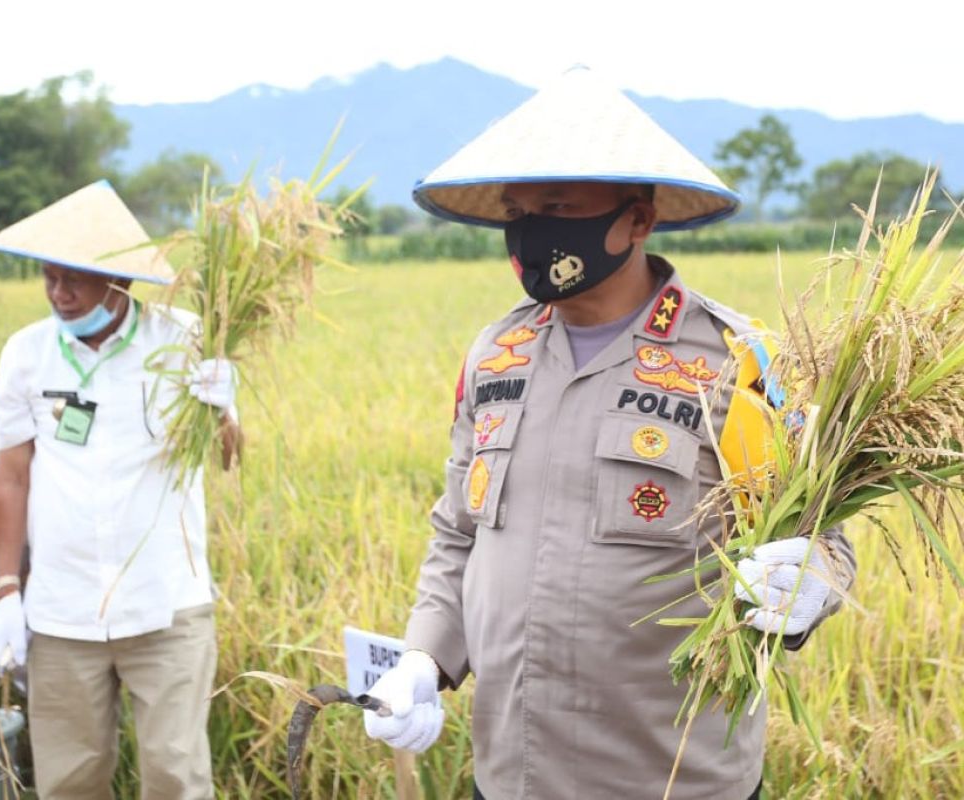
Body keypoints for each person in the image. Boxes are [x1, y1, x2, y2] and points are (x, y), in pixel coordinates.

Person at [360, 68, 857, 799]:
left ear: (638, 219)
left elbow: (823, 536)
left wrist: (814, 579)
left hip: (672, 777)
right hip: (513, 772)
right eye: (519, 212)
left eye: (557, 207)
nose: (532, 232)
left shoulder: (739, 362)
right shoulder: (496, 355)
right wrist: (423, 660)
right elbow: (459, 536)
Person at [0, 180, 239, 799]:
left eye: (74, 280)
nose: (59, 294)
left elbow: (228, 454)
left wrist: (226, 410)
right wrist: (6, 592)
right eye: (48, 278)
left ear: (119, 281)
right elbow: (13, 476)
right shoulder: (27, 354)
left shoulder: (183, 339)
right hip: (63, 609)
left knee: (176, 776)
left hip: (166, 604)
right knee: (70, 779)